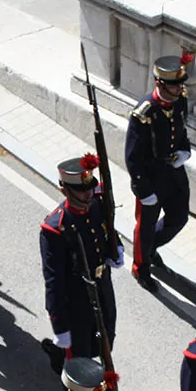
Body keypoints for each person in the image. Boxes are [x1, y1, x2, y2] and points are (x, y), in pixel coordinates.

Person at [39, 154, 122, 374]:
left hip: (102, 285)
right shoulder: (55, 228)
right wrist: (60, 325)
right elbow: (53, 281)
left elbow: (108, 225)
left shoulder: (97, 202)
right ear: (65, 190)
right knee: (80, 351)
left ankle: (61, 352)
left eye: (89, 188)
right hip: (76, 299)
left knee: (106, 338)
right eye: (81, 190)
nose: (88, 194)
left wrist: (117, 248)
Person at [124, 53, 193, 293]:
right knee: (145, 225)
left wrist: (185, 152)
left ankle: (150, 246)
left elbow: (182, 131)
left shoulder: (180, 100)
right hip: (151, 178)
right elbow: (132, 157)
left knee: (179, 217)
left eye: (180, 83)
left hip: (174, 174)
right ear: (160, 84)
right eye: (175, 84)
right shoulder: (144, 113)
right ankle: (140, 267)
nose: (179, 88)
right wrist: (143, 190)